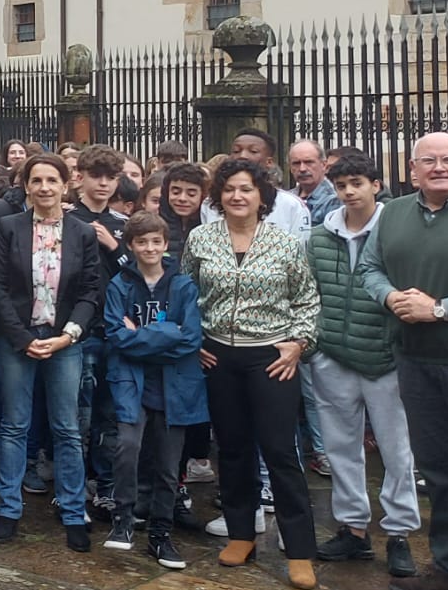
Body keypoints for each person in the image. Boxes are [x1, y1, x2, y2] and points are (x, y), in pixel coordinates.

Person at [359, 132, 448, 590]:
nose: (439, 167)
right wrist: (391, 297)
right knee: (441, 474)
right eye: (429, 161)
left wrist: (438, 309)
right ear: (412, 169)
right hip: (415, 361)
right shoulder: (394, 213)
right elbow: (368, 269)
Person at [183, 157, 320, 590]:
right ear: (218, 197)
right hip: (219, 356)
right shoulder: (200, 238)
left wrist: (298, 343)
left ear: (262, 195)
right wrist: (195, 342)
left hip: (271, 359)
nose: (237, 196)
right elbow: (186, 293)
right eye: (229, 189)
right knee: (235, 447)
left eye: (245, 189)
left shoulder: (284, 243)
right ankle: (241, 533)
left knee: (281, 452)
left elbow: (307, 300)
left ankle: (299, 550)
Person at [307, 152, 418, 577]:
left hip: (385, 356)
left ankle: (400, 533)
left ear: (375, 184)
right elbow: (308, 291)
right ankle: (353, 529)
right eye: (341, 185)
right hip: (333, 354)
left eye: (357, 182)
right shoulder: (318, 236)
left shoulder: (397, 230)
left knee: (396, 449)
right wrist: (316, 347)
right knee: (340, 449)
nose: (349, 192)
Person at [0, 153, 102, 551]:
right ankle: (9, 508)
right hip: (18, 338)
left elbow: (91, 291)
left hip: (64, 339)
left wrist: (68, 335)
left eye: (52, 180)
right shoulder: (8, 227)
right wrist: (21, 338)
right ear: (27, 186)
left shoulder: (83, 232)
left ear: (66, 184)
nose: (45, 188)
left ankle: (73, 513)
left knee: (67, 428)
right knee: (14, 424)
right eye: (37, 180)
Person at [102, 209, 204, 571]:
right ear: (130, 245)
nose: (149, 247)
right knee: (128, 447)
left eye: (156, 241)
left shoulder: (183, 285)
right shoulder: (120, 285)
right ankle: (123, 518)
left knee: (167, 463)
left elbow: (190, 338)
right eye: (141, 241)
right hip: (133, 380)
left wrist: (139, 335)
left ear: (165, 244)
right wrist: (166, 333)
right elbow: (116, 336)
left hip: (175, 383)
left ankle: (161, 533)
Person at [290, 140, 337, 225]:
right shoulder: (287, 198)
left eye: (309, 162)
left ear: (324, 165)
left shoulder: (333, 199)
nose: (302, 169)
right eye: (296, 163)